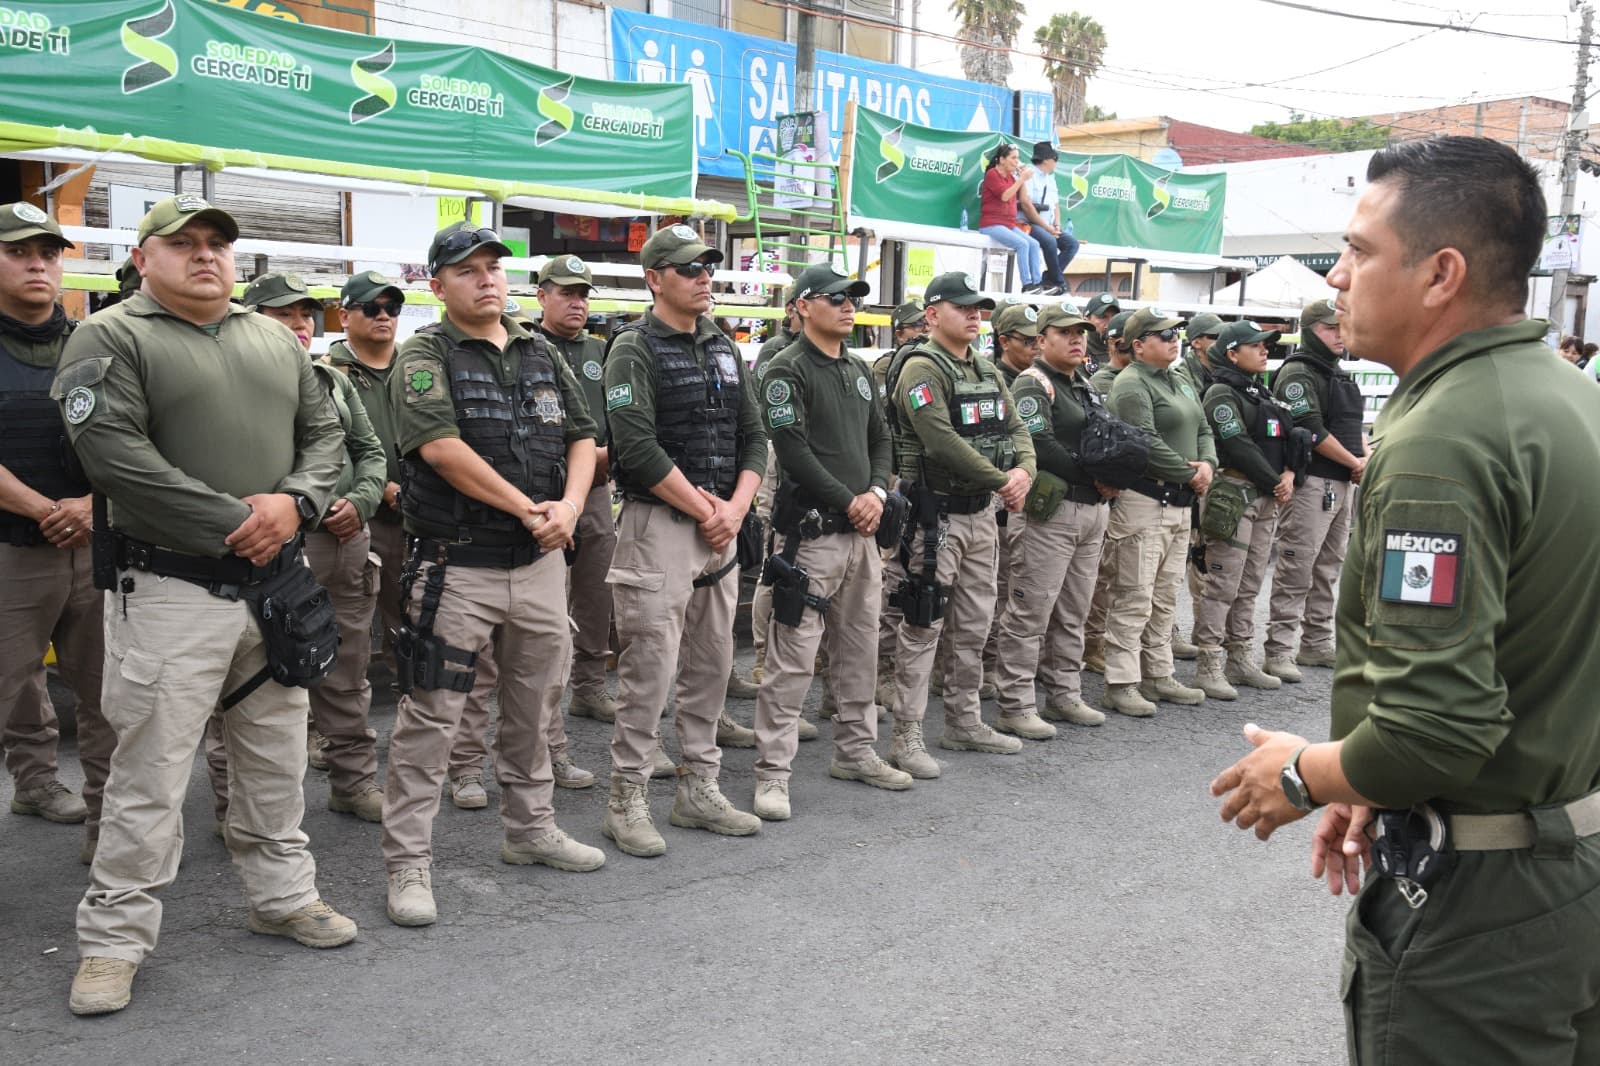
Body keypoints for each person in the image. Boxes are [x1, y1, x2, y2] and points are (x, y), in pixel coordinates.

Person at [1211, 134, 1600, 1066]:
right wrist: (1368, 781)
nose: (1337, 277)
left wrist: (1305, 774)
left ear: (1441, 274)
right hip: (1568, 865)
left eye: (1358, 250)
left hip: (1482, 907)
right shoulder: (1567, 396)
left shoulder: (1446, 436)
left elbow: (1436, 727)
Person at [57, 194, 354, 1016]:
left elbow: (326, 435)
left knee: (275, 757)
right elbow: (114, 456)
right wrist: (238, 522)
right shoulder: (111, 335)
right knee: (149, 773)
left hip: (275, 586)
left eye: (217, 242)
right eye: (182, 242)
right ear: (142, 258)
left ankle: (283, 897)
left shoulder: (273, 338)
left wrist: (294, 503)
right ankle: (114, 940)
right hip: (169, 589)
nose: (204, 254)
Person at [382, 222, 604, 928]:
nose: (486, 279)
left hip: (538, 563)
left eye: (494, 268)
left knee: (535, 706)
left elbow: (582, 437)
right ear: (437, 284)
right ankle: (409, 863)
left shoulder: (540, 350)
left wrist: (569, 507)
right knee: (433, 717)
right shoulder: (424, 355)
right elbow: (440, 449)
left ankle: (530, 829)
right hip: (457, 566)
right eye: (468, 270)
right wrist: (531, 509)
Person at [601, 224, 767, 857]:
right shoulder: (632, 348)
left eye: (708, 269)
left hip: (720, 523)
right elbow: (636, 445)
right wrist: (709, 511)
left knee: (712, 663)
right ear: (655, 279)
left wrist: (736, 508)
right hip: (661, 527)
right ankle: (627, 798)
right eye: (689, 268)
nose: (704, 278)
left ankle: (699, 787)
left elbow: (755, 435)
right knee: (649, 669)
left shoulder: (722, 344)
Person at [223, 272, 389, 822]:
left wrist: (361, 501)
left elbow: (369, 451)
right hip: (271, 548)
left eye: (305, 314)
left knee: (348, 673)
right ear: (250, 319)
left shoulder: (332, 380)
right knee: (252, 680)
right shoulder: (229, 380)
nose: (299, 324)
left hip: (342, 542)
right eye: (283, 314)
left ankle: (353, 782)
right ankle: (235, 805)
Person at [750, 264, 910, 819]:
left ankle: (856, 751)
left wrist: (876, 493)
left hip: (860, 533)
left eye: (852, 299)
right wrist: (851, 500)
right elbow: (792, 449)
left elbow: (882, 438)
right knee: (792, 657)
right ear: (802, 306)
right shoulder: (786, 368)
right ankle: (773, 773)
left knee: (860, 649)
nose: (848, 307)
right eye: (835, 298)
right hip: (812, 535)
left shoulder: (858, 369)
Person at [884, 271, 1036, 777]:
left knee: (974, 623)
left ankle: (964, 721)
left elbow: (1016, 426)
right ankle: (906, 734)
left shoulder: (986, 369)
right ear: (932, 315)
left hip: (979, 513)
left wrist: (1024, 471)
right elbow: (940, 441)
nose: (974, 315)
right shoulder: (922, 369)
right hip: (937, 516)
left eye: (977, 308)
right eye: (962, 307)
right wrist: (1004, 480)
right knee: (923, 622)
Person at [0, 203, 114, 862]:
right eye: (17, 252)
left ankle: (111, 834)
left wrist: (91, 503)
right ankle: (35, 781)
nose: (37, 264)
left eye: (47, 252)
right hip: (13, 553)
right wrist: (49, 509)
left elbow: (133, 439)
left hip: (95, 547)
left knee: (108, 701)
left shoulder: (96, 343)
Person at [993, 302, 1111, 731]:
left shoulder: (1081, 382)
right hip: (1053, 512)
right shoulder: (1033, 382)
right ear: (1042, 341)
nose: (1077, 339)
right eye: (1065, 332)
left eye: (1080, 332)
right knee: (1030, 613)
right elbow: (1038, 443)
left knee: (1073, 611)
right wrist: (1095, 474)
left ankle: (1064, 693)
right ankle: (1016, 704)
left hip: (1091, 509)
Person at [1102, 307, 1216, 716]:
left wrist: (1207, 464)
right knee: (1134, 595)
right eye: (1164, 335)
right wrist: (1192, 474)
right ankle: (1121, 681)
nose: (1174, 340)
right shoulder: (1132, 384)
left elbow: (1204, 428)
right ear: (1138, 345)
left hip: (1179, 502)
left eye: (1175, 334)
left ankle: (1158, 673)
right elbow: (1144, 442)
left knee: (1165, 597)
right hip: (1145, 500)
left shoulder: (1178, 379)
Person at [531, 255, 615, 787]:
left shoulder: (600, 351)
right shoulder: (526, 346)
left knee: (597, 590)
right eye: (566, 292)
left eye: (583, 294)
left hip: (597, 487)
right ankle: (546, 724)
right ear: (542, 296)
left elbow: (617, 417)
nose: (577, 302)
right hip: (543, 492)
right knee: (548, 609)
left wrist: (609, 457)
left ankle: (590, 685)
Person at [1263, 298, 1367, 683]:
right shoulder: (1298, 372)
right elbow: (1310, 427)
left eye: (1341, 326)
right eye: (1329, 328)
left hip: (1341, 482)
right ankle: (1278, 649)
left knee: (1328, 567)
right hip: (1313, 483)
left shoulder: (1337, 372)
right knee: (1297, 566)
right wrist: (1356, 462)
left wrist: (1363, 456)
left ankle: (1316, 642)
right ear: (1310, 332)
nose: (1339, 335)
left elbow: (1351, 427)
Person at [1189, 321, 1293, 701]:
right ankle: (1209, 663)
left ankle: (1240, 657)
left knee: (1249, 584)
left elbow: (1288, 437)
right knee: (1223, 584)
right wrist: (1276, 480)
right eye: (1256, 345)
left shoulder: (1257, 390)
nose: (1265, 351)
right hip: (1233, 494)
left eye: (1266, 345)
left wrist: (1289, 474)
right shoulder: (1221, 392)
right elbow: (1237, 444)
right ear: (1232, 354)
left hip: (1264, 495)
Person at [1081, 309, 1135, 674]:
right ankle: (1093, 640)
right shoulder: (1102, 382)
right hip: (1109, 487)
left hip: (1125, 486)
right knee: (1103, 575)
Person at [978, 143, 1045, 295]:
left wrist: (1022, 179)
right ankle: (1026, 285)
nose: (1016, 162)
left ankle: (1037, 283)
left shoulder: (1010, 178)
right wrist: (1021, 179)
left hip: (1008, 224)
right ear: (1002, 160)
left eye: (1017, 158)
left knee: (1034, 244)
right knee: (1022, 244)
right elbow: (1005, 196)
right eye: (1013, 158)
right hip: (991, 224)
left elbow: (1023, 197)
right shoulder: (992, 174)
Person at [1018, 141, 1078, 296]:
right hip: (1030, 224)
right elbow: (1026, 206)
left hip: (1049, 226)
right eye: (1055, 159)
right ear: (1045, 159)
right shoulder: (1029, 175)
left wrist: (1056, 226)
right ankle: (1059, 283)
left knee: (1071, 244)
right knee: (1050, 241)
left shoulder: (1050, 179)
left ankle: (1048, 279)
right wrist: (1047, 228)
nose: (1056, 162)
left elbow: (1056, 205)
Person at [1178, 311, 1223, 393]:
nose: (1223, 339)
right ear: (1196, 343)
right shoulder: (1181, 377)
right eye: (1217, 336)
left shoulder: (1231, 369)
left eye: (1224, 334)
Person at [1083, 293, 1120, 374]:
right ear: (1086, 321)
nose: (1110, 322)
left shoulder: (1127, 352)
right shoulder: (1078, 351)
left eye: (1115, 317)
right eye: (1103, 317)